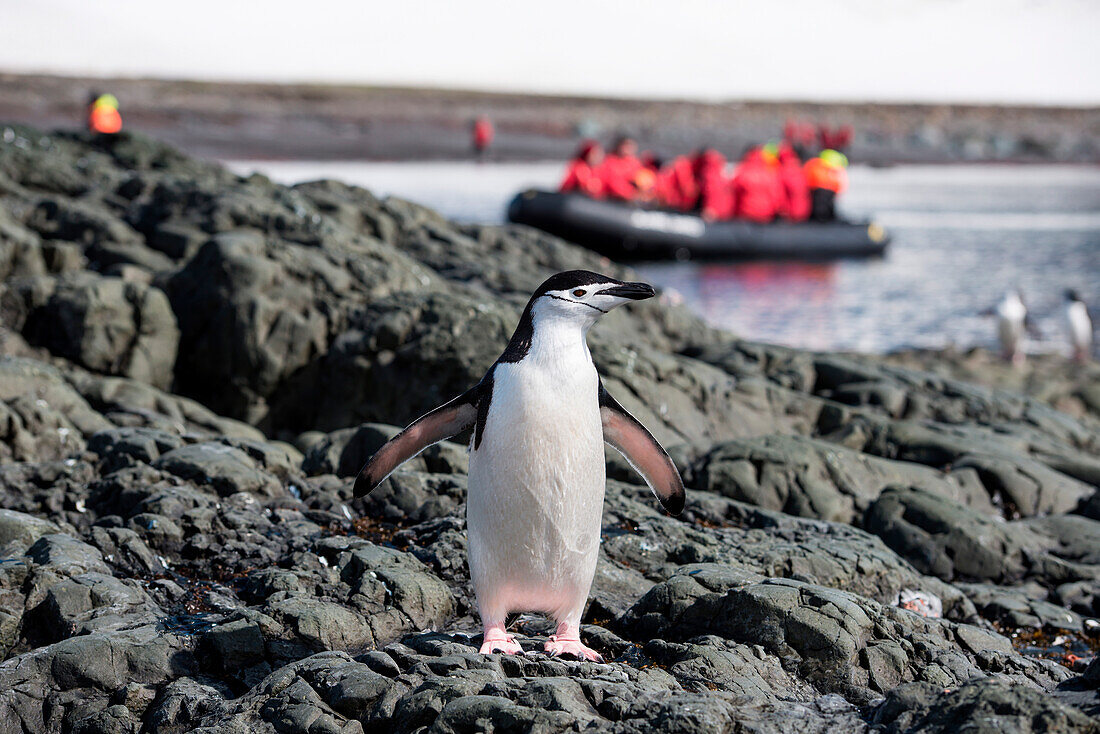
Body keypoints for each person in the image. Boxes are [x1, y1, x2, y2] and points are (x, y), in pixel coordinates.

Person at [731, 146, 784, 223]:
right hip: (766, 215)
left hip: (747, 215)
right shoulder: (769, 172)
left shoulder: (742, 171)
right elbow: (776, 195)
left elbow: (734, 193)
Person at [804, 148, 848, 222]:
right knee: (822, 203)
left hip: (821, 187)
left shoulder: (816, 164)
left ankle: (823, 216)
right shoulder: (820, 166)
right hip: (823, 186)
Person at [598, 135, 643, 201]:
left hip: (630, 199)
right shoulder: (609, 160)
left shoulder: (636, 163)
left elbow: (641, 180)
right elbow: (611, 181)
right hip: (610, 198)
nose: (629, 148)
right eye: (626, 145)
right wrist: (629, 193)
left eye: (631, 146)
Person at [692, 148, 732, 220]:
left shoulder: (709, 174)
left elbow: (711, 191)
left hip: (712, 213)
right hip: (726, 214)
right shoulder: (723, 173)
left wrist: (711, 208)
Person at [777, 143, 811, 222]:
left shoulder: (782, 171)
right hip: (805, 212)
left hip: (789, 214)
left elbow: (778, 194)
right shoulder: (801, 168)